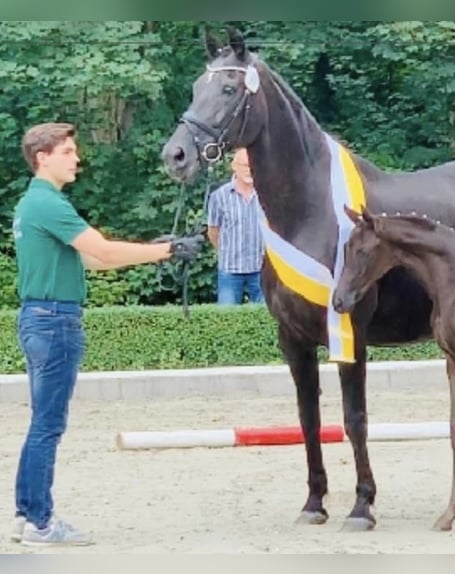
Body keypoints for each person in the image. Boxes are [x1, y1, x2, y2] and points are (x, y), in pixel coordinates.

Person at [9, 122, 203, 547]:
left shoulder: (32, 204)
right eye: (68, 151)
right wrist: (168, 250)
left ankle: (27, 515)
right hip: (56, 321)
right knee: (48, 425)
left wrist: (153, 248)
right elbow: (102, 249)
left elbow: (92, 261)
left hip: (38, 317)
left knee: (41, 423)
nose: (76, 158)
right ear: (43, 157)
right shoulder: (48, 204)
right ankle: (41, 522)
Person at [206, 147, 265, 304]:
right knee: (226, 318)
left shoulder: (266, 193)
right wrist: (225, 251)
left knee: (268, 318)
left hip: (261, 268)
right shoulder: (219, 196)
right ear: (234, 166)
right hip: (229, 270)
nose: (250, 170)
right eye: (245, 165)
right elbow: (213, 231)